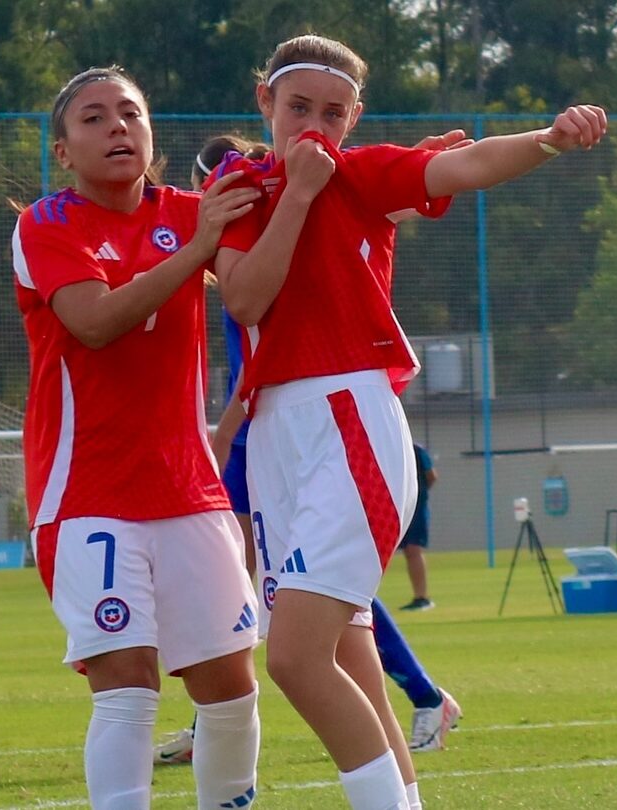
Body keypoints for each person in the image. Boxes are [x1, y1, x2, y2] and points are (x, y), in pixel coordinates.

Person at [212, 34, 606, 807]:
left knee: (293, 659)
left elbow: (466, 165)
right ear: (264, 100)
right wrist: (291, 195)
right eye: (299, 108)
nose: (315, 126)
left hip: (348, 417)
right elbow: (245, 299)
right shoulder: (240, 189)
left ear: (354, 117)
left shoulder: (359, 173)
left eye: (334, 111)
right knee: (351, 658)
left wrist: (550, 141)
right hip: (276, 442)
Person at [153, 136, 462, 769]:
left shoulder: (275, 238)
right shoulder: (239, 258)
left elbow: (369, 204)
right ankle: (217, 713)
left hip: (306, 421)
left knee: (305, 605)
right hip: (270, 434)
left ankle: (419, 696)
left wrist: (219, 433)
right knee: (305, 598)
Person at [12, 66, 263, 809]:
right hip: (88, 497)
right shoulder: (46, 224)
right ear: (63, 150)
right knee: (128, 688)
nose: (117, 127)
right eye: (93, 118)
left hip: (190, 494)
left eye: (130, 113)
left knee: (231, 693)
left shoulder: (192, 210)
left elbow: (271, 266)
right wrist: (197, 249)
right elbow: (94, 322)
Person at [399, 443, 437, 611]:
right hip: (399, 507)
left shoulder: (417, 450)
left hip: (417, 507)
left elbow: (431, 476)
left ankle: (422, 597)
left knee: (414, 549)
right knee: (407, 551)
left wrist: (417, 494)